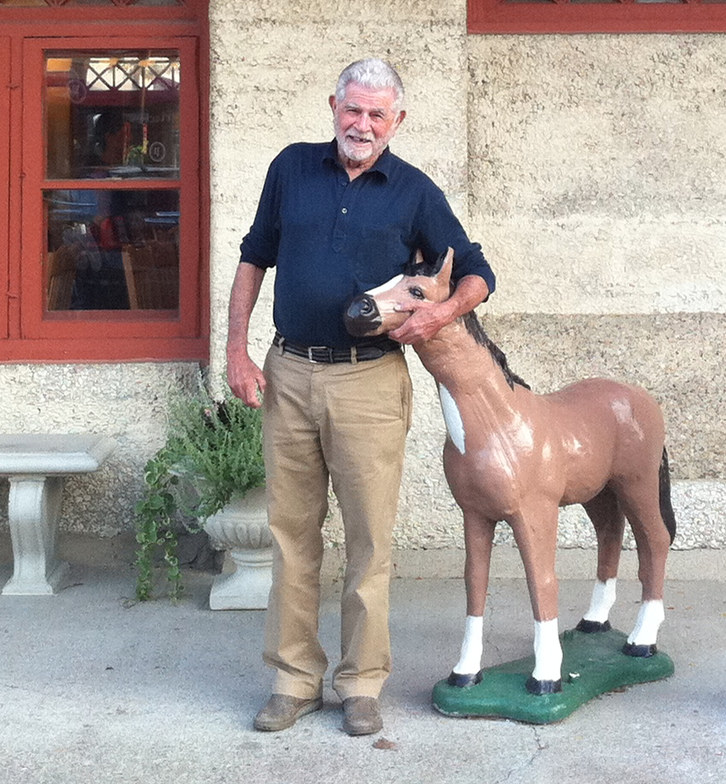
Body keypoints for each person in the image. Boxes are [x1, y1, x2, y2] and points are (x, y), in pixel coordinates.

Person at [226, 58, 495, 736]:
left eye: (378, 114)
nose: (363, 124)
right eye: (353, 110)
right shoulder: (290, 168)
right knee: (291, 535)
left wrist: (438, 315)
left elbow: (478, 270)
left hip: (370, 380)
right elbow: (255, 256)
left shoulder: (414, 192)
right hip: (288, 371)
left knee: (370, 540)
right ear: (333, 107)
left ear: (396, 121)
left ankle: (361, 683)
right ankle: (293, 680)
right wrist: (235, 349)